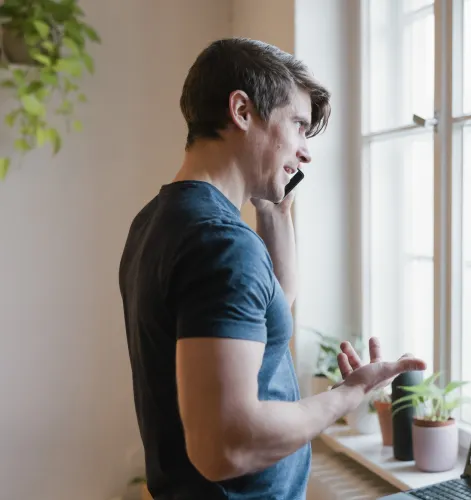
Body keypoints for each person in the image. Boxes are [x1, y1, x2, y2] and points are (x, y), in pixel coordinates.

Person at [118, 38, 426, 500]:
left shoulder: (162, 219)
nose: (305, 152)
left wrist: (274, 212)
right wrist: (345, 395)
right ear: (241, 110)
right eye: (298, 126)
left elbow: (263, 311)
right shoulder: (220, 243)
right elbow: (225, 447)